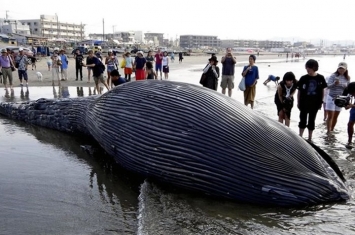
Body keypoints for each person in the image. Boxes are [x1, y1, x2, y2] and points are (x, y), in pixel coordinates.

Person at [296, 59, 327, 141]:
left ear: (314, 68)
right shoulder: (303, 78)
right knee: (302, 120)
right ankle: (300, 136)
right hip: (304, 102)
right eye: (307, 68)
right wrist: (298, 102)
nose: (308, 70)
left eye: (309, 68)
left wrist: (321, 101)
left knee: (312, 120)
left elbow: (322, 91)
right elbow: (299, 91)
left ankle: (310, 138)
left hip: (315, 103)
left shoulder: (320, 78)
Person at [325, 62, 350, 134]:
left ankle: (332, 130)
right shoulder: (333, 76)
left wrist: (346, 88)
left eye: (342, 69)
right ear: (337, 68)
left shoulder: (347, 78)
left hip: (340, 99)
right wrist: (334, 84)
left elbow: (349, 89)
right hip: (331, 97)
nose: (341, 70)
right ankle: (328, 131)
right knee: (330, 115)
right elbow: (328, 86)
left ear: (345, 69)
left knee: (336, 116)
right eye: (340, 68)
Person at [343, 82, 355, 148]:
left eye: (352, 93)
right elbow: (345, 105)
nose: (352, 95)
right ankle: (349, 141)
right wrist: (346, 104)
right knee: (350, 124)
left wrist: (352, 105)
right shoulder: (348, 90)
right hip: (354, 108)